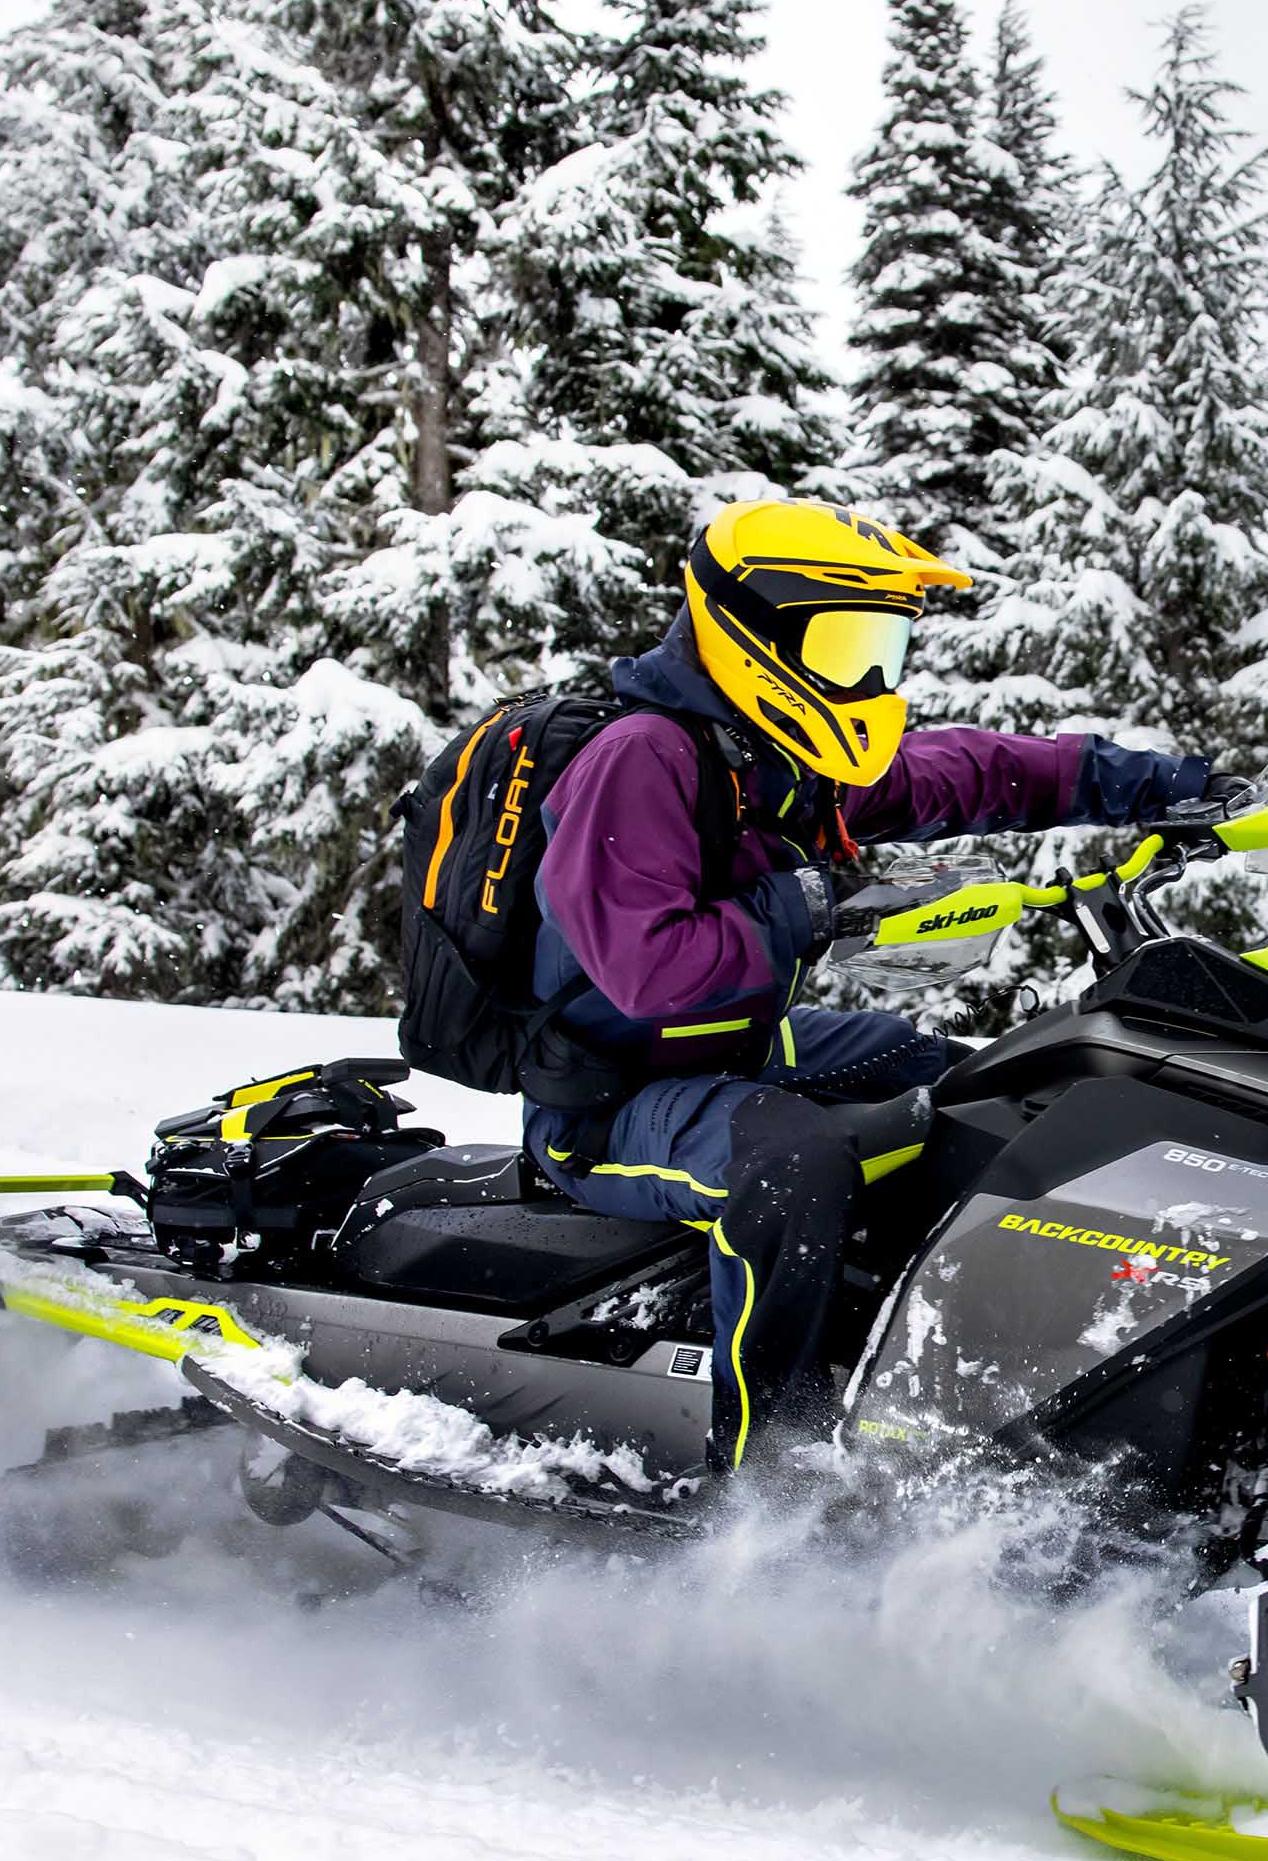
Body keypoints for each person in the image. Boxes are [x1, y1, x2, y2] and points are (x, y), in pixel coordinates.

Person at [519, 497, 1217, 1465]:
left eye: (881, 650)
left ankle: (974, 1383)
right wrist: (813, 899)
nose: (870, 680)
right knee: (792, 1163)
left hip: (739, 1047)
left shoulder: (774, 754)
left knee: (990, 1086)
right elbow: (646, 968)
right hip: (610, 1095)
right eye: (847, 646)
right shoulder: (639, 758)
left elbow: (967, 772)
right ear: (752, 633)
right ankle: (771, 1475)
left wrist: (1148, 785)